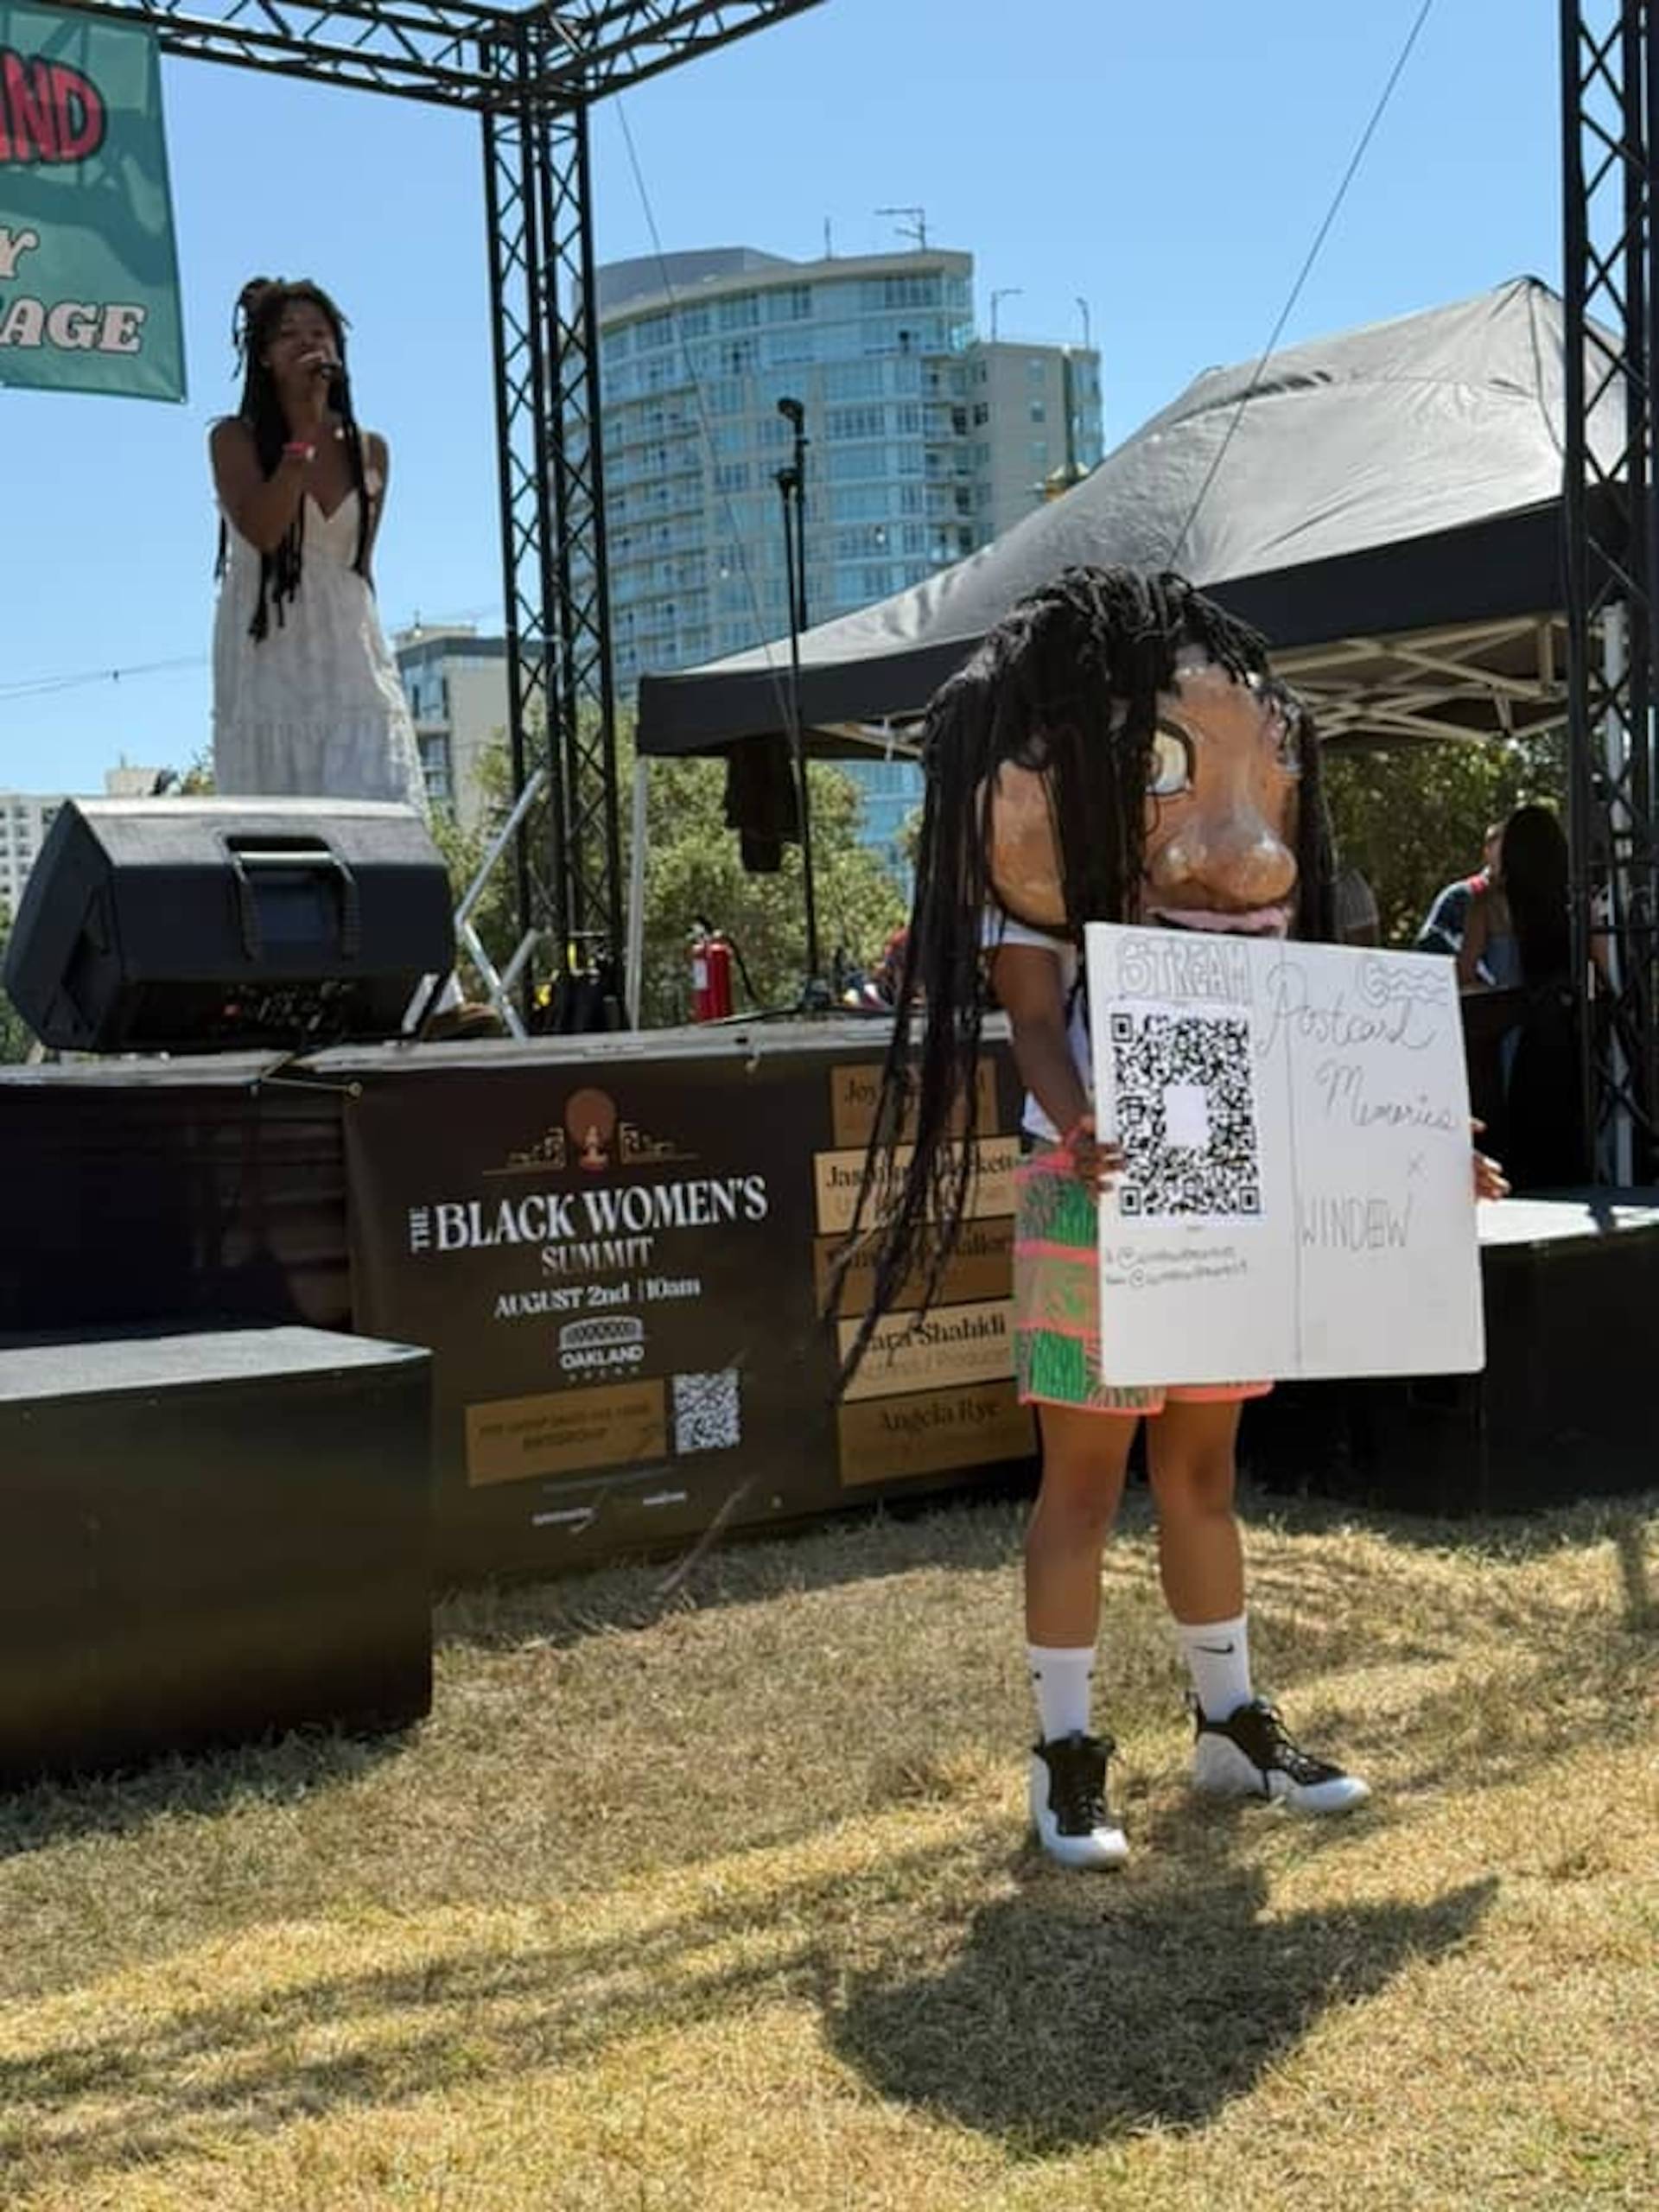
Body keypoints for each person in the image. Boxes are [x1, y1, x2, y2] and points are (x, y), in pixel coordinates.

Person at [836, 567, 1506, 1870]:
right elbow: (1032, 1016)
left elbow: (1300, 1048)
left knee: (1203, 1473)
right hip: (1088, 1195)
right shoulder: (1036, 860)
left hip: (1219, 1192)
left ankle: (1229, 1716)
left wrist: (1418, 1152)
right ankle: (1067, 1754)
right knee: (1082, 1484)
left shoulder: (1237, 875)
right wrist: (1081, 1124)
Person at [210, 276, 425, 810]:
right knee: (285, 840)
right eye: (288, 333)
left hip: (352, 668)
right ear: (262, 356)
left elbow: (360, 566)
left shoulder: (369, 450)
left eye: (320, 332)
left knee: (379, 826)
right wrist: (301, 437)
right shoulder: (234, 439)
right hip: (270, 667)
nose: (308, 342)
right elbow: (264, 531)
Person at [1415, 823, 1515, 980]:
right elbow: (1428, 948)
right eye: (1504, 851)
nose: (1511, 858)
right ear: (1488, 852)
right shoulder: (1459, 897)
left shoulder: (1532, 901)